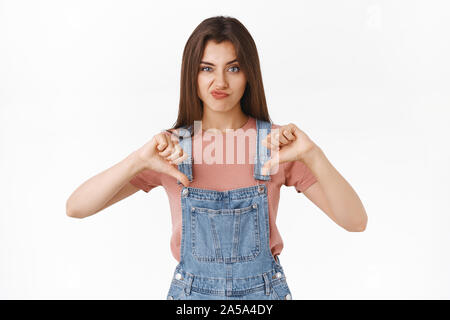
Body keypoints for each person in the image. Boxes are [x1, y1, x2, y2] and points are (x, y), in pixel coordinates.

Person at [66, 16, 368, 300]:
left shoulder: (279, 145)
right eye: (207, 68)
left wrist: (314, 155)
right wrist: (137, 160)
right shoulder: (170, 150)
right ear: (192, 75)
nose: (220, 82)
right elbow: (76, 207)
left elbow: (355, 221)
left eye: (233, 68)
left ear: (249, 73)